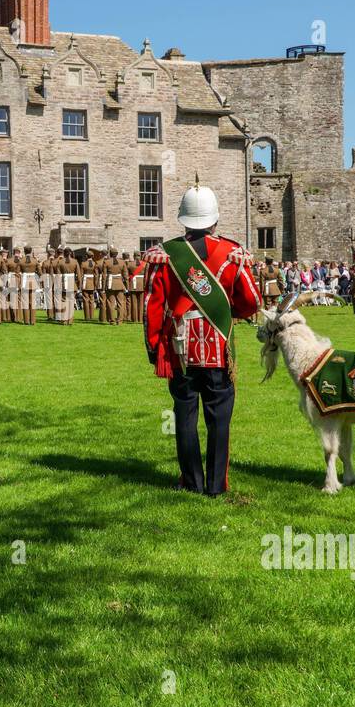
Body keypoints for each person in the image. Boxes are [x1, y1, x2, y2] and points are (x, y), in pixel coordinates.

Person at [143, 182, 260, 496]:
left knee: (184, 415)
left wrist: (154, 346)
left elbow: (152, 306)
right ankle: (215, 484)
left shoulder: (165, 255)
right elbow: (252, 301)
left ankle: (191, 481)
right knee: (219, 417)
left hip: (179, 347)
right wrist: (226, 309)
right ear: (215, 219)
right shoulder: (232, 253)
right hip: (218, 348)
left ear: (182, 220)